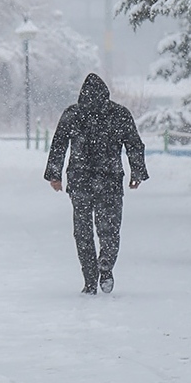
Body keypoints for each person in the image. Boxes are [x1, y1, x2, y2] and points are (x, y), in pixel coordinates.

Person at [44, 73, 149, 295]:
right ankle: (106, 265)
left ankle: (90, 280)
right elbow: (134, 144)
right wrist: (136, 172)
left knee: (82, 232)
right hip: (109, 180)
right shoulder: (119, 114)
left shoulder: (72, 114)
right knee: (109, 230)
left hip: (80, 180)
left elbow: (58, 145)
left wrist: (55, 175)